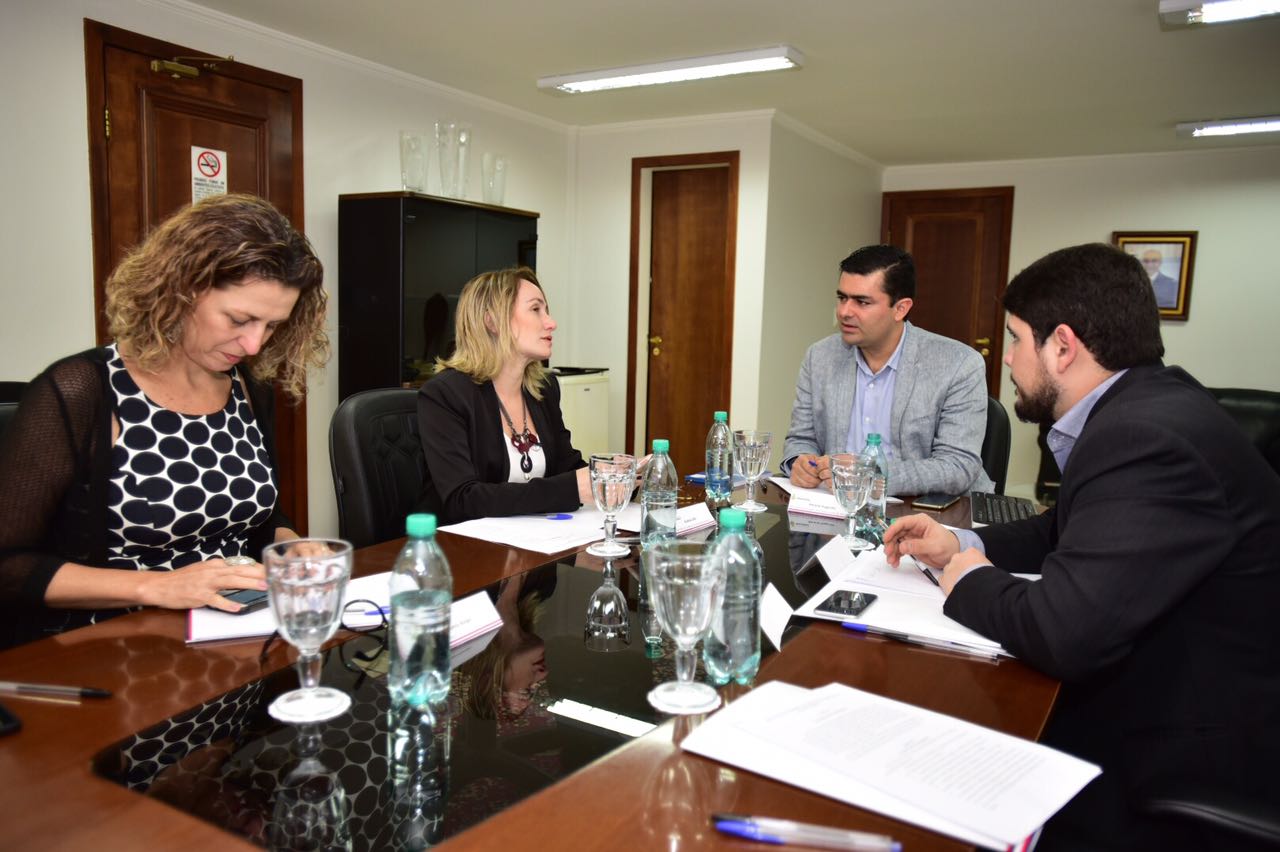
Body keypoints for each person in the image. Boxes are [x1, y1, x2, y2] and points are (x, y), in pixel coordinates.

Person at [884, 243, 1280, 850]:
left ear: (1062, 347)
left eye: (1016, 340)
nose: (1009, 360)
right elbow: (1066, 528)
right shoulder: (1153, 403)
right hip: (1182, 681)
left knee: (936, 764)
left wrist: (965, 579)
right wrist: (958, 540)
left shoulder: (1144, 438)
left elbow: (1063, 633)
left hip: (1191, 744)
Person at [0, 194, 329, 649]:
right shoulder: (81, 391)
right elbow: (9, 567)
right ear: (180, 290)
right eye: (239, 319)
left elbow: (255, 513)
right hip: (110, 650)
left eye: (272, 326)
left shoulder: (248, 389)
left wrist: (289, 545)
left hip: (229, 641)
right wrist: (156, 585)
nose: (254, 344)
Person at [781, 245, 992, 495]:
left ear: (901, 309)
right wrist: (799, 462)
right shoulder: (820, 357)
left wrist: (871, 474)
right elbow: (800, 439)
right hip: (834, 508)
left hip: (929, 515)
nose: (844, 312)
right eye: (842, 298)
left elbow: (957, 467)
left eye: (862, 302)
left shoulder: (959, 364)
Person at [416, 267, 589, 523]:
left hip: (535, 544)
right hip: (467, 553)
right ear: (492, 322)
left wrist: (617, 478)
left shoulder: (544, 389)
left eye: (547, 310)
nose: (551, 322)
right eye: (535, 309)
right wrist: (569, 489)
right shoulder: (445, 395)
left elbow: (567, 467)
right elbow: (462, 499)